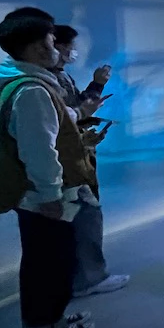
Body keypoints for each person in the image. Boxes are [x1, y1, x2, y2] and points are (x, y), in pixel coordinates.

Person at [0, 7, 98, 328]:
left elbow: (52, 122)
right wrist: (50, 194)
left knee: (44, 258)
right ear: (37, 48)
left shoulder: (18, 82)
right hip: (42, 196)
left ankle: (51, 319)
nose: (59, 49)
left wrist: (78, 117)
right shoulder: (32, 90)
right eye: (52, 41)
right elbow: (39, 149)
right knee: (50, 262)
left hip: (32, 194)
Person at [51, 24, 128, 298]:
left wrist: (97, 85)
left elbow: (76, 107)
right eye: (69, 46)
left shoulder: (59, 76)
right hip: (64, 161)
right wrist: (82, 113)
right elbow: (63, 117)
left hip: (72, 154)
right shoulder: (43, 82)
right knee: (85, 214)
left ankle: (73, 276)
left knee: (79, 215)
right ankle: (88, 278)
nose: (73, 51)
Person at [51, 25, 112, 111]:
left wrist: (97, 84)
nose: (75, 51)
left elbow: (78, 103)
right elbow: (72, 110)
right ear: (60, 47)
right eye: (72, 47)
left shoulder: (64, 76)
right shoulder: (51, 78)